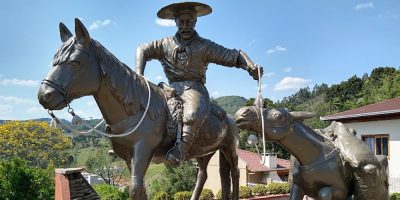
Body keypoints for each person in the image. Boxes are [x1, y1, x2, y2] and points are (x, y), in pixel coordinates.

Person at [135, 2, 263, 163]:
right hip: (169, 88)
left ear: (195, 21)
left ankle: (181, 149)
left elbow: (234, 56)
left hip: (194, 88)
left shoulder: (204, 45)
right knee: (146, 106)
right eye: (181, 21)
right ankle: (130, 140)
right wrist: (139, 74)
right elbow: (142, 49)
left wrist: (250, 66)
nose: (185, 25)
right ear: (175, 22)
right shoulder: (164, 44)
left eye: (189, 21)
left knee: (193, 112)